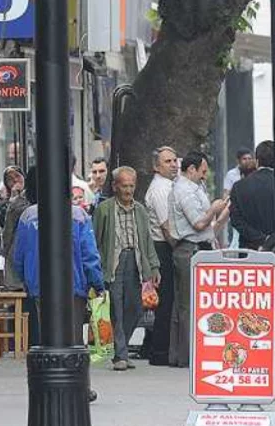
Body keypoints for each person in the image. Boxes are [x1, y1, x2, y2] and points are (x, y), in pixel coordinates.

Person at [11, 170, 105, 403]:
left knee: (47, 336)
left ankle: (49, 382)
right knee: (74, 338)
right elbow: (89, 255)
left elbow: (19, 255)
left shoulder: (27, 216)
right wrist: (98, 283)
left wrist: (27, 280)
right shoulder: (79, 216)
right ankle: (79, 385)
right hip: (74, 285)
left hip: (40, 287)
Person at [93, 166, 161, 371]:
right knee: (116, 307)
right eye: (124, 186)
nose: (129, 190)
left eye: (132, 186)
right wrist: (94, 269)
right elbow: (95, 239)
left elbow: (147, 240)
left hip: (136, 261)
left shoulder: (140, 209)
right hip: (113, 262)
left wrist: (154, 266)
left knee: (135, 307)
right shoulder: (104, 209)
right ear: (115, 186)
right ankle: (121, 354)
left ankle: (120, 347)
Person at [168, 151, 228, 367]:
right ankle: (187, 354)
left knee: (189, 304)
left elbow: (208, 228)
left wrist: (223, 212)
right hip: (189, 249)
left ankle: (183, 352)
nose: (205, 176)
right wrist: (214, 208)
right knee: (187, 305)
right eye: (202, 172)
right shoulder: (184, 189)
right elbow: (198, 223)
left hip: (199, 245)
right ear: (191, 169)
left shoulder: (195, 188)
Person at [144, 146, 178, 366]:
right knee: (165, 301)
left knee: (167, 300)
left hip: (165, 245)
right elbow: (167, 227)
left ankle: (156, 346)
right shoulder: (160, 189)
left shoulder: (170, 186)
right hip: (162, 247)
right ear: (156, 166)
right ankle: (159, 350)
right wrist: (179, 247)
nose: (174, 164)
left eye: (175, 160)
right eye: (167, 161)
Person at [228, 141, 275, 251]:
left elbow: (236, 220)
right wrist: (270, 241)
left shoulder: (239, 186)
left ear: (257, 161)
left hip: (249, 248)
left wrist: (260, 238)